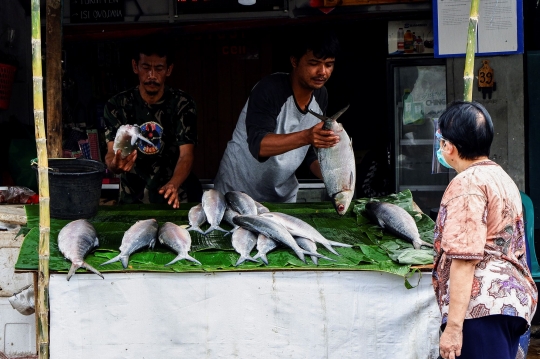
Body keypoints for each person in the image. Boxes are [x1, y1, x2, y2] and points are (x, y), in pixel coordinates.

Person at [432, 101, 538, 359]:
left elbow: (465, 259)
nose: (440, 146)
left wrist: (454, 328)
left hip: (482, 309)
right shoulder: (500, 176)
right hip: (510, 304)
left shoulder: (466, 184)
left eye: (441, 140)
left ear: (450, 147)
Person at [213, 30, 341, 202]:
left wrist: (332, 176)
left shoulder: (321, 95)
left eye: (329, 64)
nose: (322, 72)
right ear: (294, 61)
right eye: (314, 63)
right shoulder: (269, 89)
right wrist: (308, 136)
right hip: (237, 192)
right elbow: (259, 146)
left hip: (281, 196)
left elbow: (309, 152)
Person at [103, 36, 202, 208]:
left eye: (159, 69)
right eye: (146, 67)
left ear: (169, 70)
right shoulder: (117, 105)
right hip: (131, 201)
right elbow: (112, 153)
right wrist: (115, 165)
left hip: (174, 198)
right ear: (135, 66)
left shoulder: (182, 103)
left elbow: (187, 154)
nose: (152, 75)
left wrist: (174, 183)